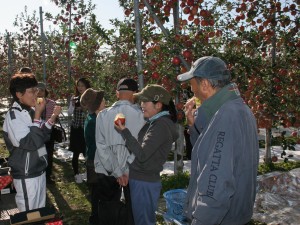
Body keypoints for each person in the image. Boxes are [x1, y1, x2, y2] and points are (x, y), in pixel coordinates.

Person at [177, 56, 259, 225]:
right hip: (236, 215)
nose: (194, 94)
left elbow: (215, 187)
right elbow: (213, 151)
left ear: (205, 84)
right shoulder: (238, 108)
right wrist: (193, 126)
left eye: (193, 88)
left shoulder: (226, 118)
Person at [114, 84, 179, 225]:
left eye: (145, 101)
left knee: (143, 221)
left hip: (144, 181)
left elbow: (142, 155)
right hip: (143, 179)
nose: (141, 105)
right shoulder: (155, 123)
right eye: (141, 101)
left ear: (158, 105)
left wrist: (124, 131)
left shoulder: (160, 125)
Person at [2, 72, 62, 212]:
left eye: (36, 90)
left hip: (39, 169)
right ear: (19, 94)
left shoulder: (30, 111)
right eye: (31, 91)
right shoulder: (14, 117)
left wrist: (52, 119)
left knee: (38, 212)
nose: (36, 94)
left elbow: (42, 137)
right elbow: (31, 143)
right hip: (27, 174)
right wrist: (37, 117)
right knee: (29, 214)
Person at [94, 78, 145, 225]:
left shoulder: (102, 115)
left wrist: (116, 171)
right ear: (135, 94)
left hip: (106, 170)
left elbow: (101, 147)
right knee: (132, 209)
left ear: (117, 93)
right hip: (133, 171)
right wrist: (126, 170)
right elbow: (141, 146)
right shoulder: (143, 116)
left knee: (108, 208)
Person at [80, 88, 106, 225]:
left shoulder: (94, 118)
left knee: (97, 194)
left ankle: (97, 218)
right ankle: (96, 220)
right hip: (96, 162)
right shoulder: (95, 122)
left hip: (94, 160)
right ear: (97, 104)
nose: (105, 102)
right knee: (98, 195)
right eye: (102, 100)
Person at [68, 77, 91, 183]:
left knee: (87, 152)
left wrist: (84, 108)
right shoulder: (74, 97)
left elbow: (93, 112)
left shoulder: (90, 97)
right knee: (76, 152)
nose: (80, 87)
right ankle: (76, 174)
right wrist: (72, 105)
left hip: (86, 128)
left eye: (82, 85)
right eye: (79, 85)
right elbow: (69, 112)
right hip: (76, 128)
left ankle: (88, 173)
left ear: (87, 86)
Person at [37, 82, 56, 184]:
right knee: (40, 153)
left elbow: (50, 119)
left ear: (45, 92)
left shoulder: (51, 103)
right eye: (37, 90)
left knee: (48, 154)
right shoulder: (32, 103)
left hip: (47, 132)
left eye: (42, 90)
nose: (39, 92)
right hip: (37, 132)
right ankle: (41, 173)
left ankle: (48, 175)